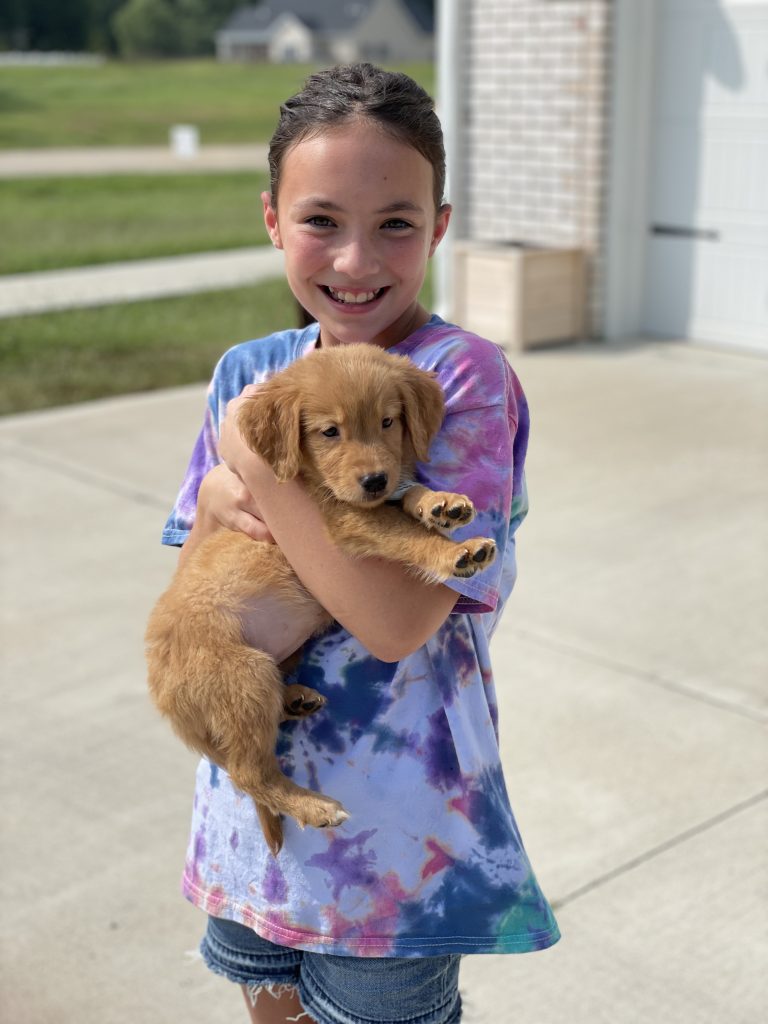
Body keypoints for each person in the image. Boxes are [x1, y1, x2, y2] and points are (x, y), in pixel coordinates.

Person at [161, 63, 560, 1024]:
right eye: (320, 220)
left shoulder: (457, 380)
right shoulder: (247, 372)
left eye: (395, 223)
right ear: (271, 219)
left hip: (393, 842)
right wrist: (217, 494)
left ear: (440, 225)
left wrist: (251, 470)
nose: (353, 260)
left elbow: (391, 622)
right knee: (270, 1009)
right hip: (256, 817)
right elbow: (190, 587)